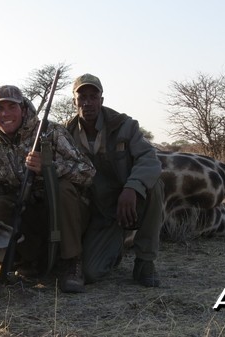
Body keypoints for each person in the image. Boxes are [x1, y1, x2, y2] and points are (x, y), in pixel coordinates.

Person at [0, 85, 95, 293]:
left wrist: (49, 169)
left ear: (23, 108)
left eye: (12, 107)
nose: (6, 114)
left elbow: (88, 172)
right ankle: (30, 258)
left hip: (64, 211)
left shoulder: (51, 132)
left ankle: (73, 262)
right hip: (28, 212)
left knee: (62, 188)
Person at [65, 74, 164, 287]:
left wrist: (132, 188)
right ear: (74, 101)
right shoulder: (66, 133)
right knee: (91, 273)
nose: (87, 102)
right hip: (100, 211)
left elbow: (149, 159)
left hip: (130, 199)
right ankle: (114, 247)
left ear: (102, 100)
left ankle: (145, 261)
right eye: (82, 97)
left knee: (154, 185)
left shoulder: (125, 125)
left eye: (93, 96)